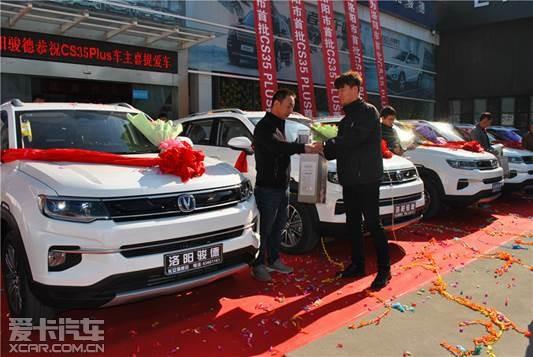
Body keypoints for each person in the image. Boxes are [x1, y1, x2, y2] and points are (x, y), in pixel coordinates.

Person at [323, 71, 391, 290]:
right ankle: (358, 264)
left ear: (355, 89)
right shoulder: (346, 119)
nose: (339, 94)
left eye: (342, 89)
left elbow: (352, 140)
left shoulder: (368, 112)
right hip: (350, 180)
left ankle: (384, 270)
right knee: (352, 224)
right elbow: (337, 149)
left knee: (373, 223)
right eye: (338, 90)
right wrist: (321, 147)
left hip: (367, 179)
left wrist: (327, 145)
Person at [252, 89, 322, 282]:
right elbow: (278, 148)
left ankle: (273, 259)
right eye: (289, 105)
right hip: (267, 187)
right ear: (276, 104)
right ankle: (258, 264)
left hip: (282, 186)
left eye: (293, 106)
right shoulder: (265, 127)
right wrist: (303, 148)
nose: (291, 109)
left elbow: (285, 148)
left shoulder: (282, 125)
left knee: (279, 225)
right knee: (264, 228)